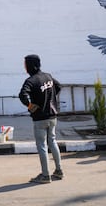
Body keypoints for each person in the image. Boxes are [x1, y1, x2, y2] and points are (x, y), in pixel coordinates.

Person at [18, 54, 63, 184]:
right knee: (52, 142)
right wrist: (50, 100)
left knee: (42, 146)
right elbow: (58, 86)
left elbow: (22, 95)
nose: (24, 67)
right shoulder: (48, 76)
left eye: (25, 64)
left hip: (40, 119)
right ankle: (59, 171)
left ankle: (45, 175)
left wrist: (30, 105)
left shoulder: (31, 81)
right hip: (52, 116)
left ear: (30, 65)